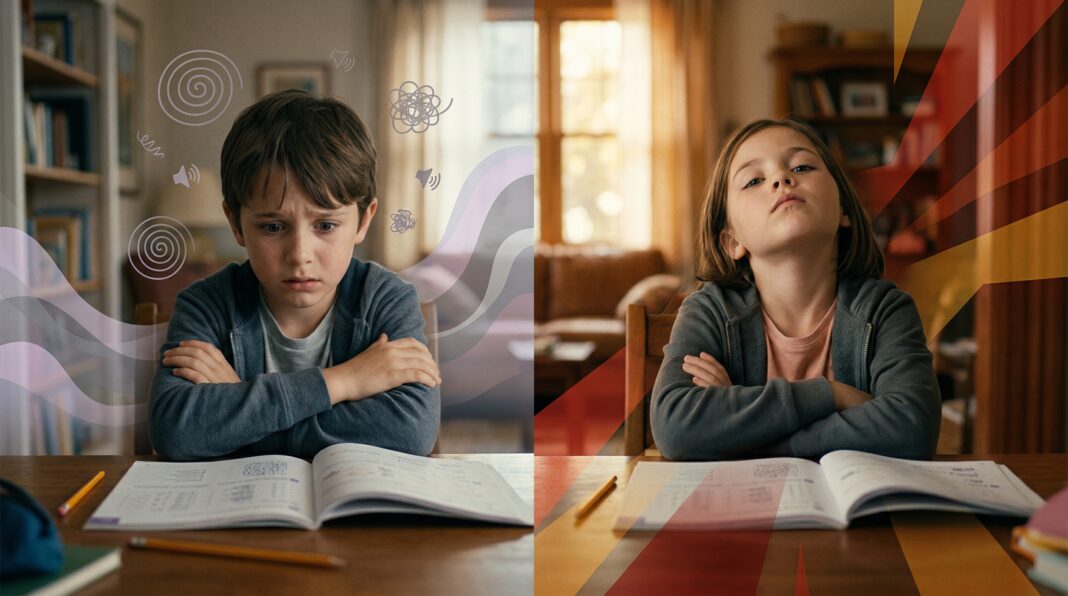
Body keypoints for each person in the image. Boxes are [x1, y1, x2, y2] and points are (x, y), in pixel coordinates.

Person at [149, 90, 441, 461]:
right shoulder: (205, 304)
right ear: (236, 224)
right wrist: (345, 380)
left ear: (363, 221)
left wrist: (241, 412)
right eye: (272, 227)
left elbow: (411, 431)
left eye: (325, 224)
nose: (300, 255)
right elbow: (175, 433)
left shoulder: (387, 298)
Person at [650, 117, 940, 461]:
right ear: (732, 241)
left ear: (845, 209)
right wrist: (832, 395)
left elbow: (912, 427)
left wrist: (740, 432)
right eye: (754, 180)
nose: (782, 179)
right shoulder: (708, 311)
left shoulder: (886, 309)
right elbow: (676, 428)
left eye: (802, 166)